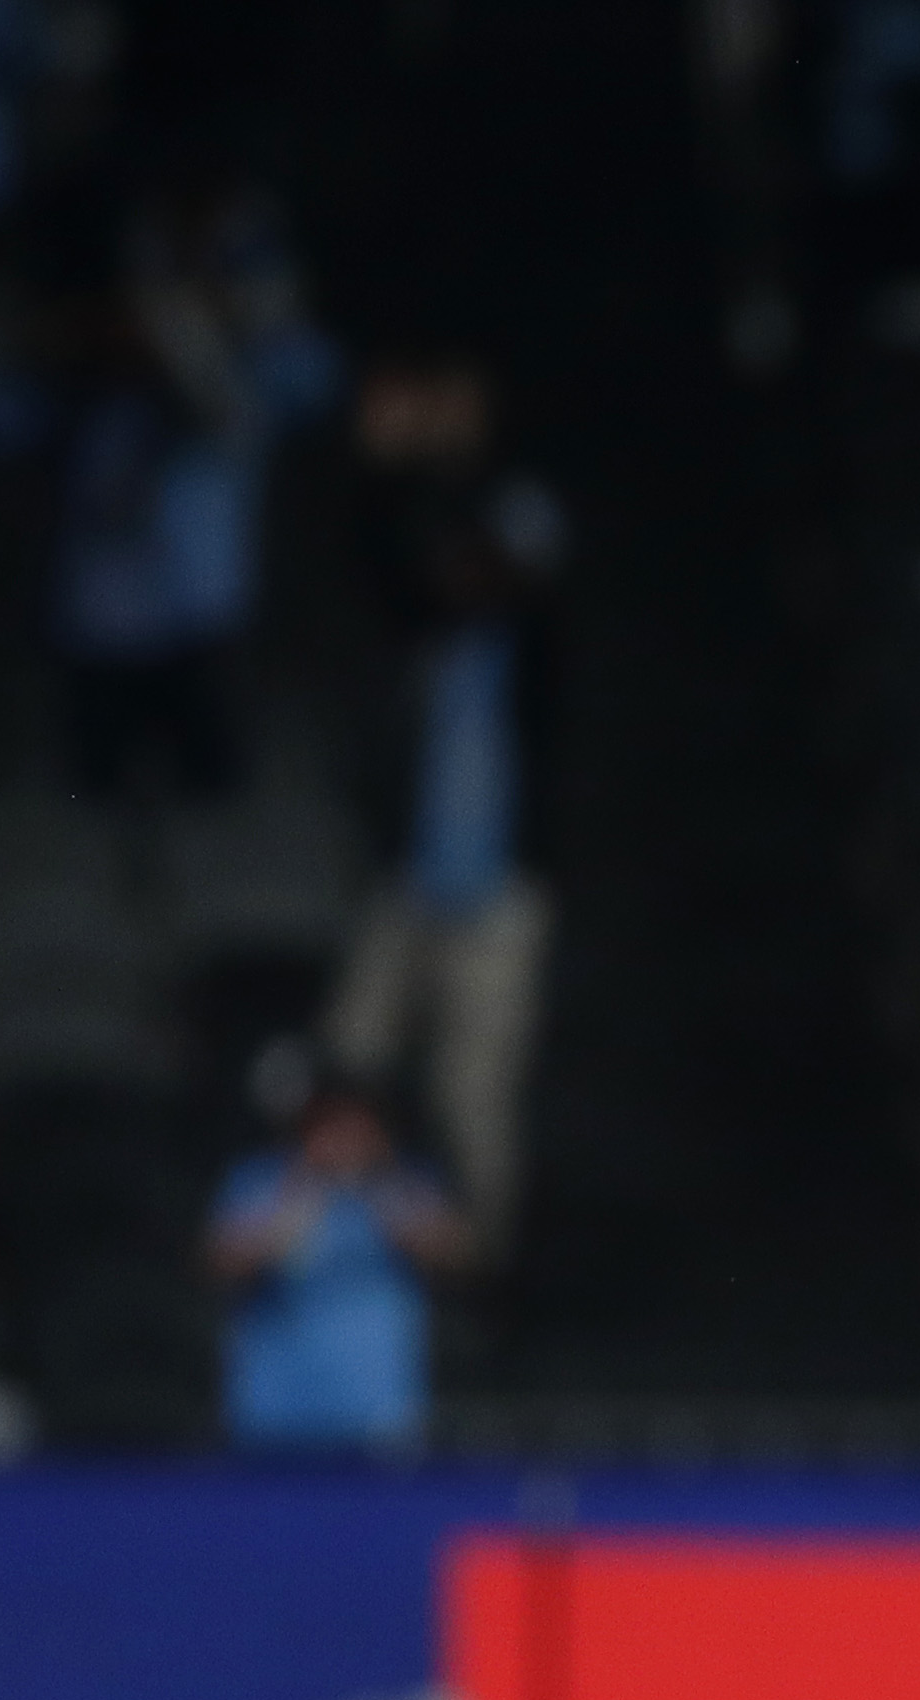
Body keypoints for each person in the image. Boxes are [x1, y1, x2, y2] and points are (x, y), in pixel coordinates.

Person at [322, 351, 563, 1253]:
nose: (466, 574)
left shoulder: (530, 647)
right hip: (408, 881)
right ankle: (366, 1245)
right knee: (346, 1060)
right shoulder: (421, 642)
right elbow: (384, 562)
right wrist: (395, 462)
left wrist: (460, 457)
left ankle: (478, 1266)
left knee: (473, 1093)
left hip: (499, 890)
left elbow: (532, 576)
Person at [206, 1069, 469, 1457]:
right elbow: (221, 1263)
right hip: (274, 1416)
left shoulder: (405, 1183)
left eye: (356, 1127)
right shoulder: (262, 1179)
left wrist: (384, 1186)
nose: (344, 1139)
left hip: (377, 1416)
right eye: (331, 1126)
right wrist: (301, 1189)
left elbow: (457, 1255)